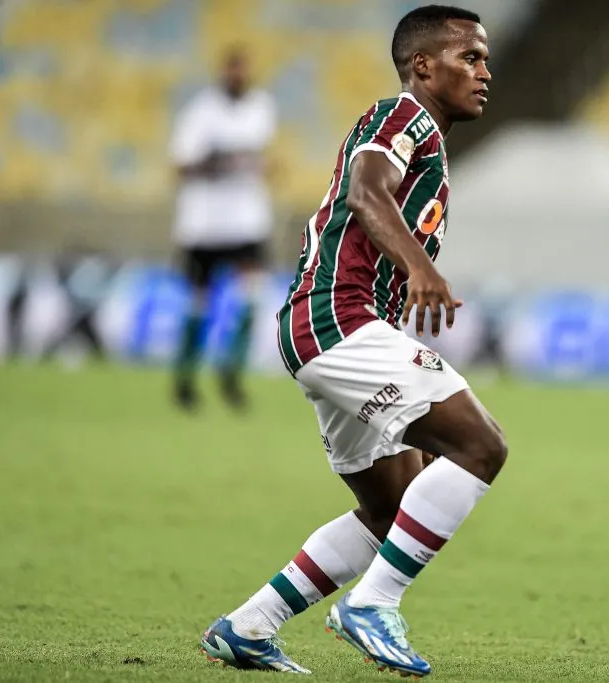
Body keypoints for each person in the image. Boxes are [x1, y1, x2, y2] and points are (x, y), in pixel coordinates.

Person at [200, 6, 504, 678]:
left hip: (327, 328)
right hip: (340, 319)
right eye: (470, 57)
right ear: (424, 66)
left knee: (393, 509)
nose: (485, 71)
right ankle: (374, 604)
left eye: (484, 58)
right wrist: (422, 268)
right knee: (481, 445)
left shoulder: (428, 142)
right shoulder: (403, 117)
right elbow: (368, 190)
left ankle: (249, 624)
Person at [170, 45, 276, 411]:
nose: (238, 76)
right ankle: (184, 379)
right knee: (199, 304)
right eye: (233, 70)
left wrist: (256, 165)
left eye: (243, 70)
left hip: (247, 221)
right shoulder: (200, 113)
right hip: (204, 224)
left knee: (252, 295)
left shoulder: (261, 107)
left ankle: (231, 373)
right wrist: (219, 162)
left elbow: (265, 159)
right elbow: (181, 167)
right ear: (223, 72)